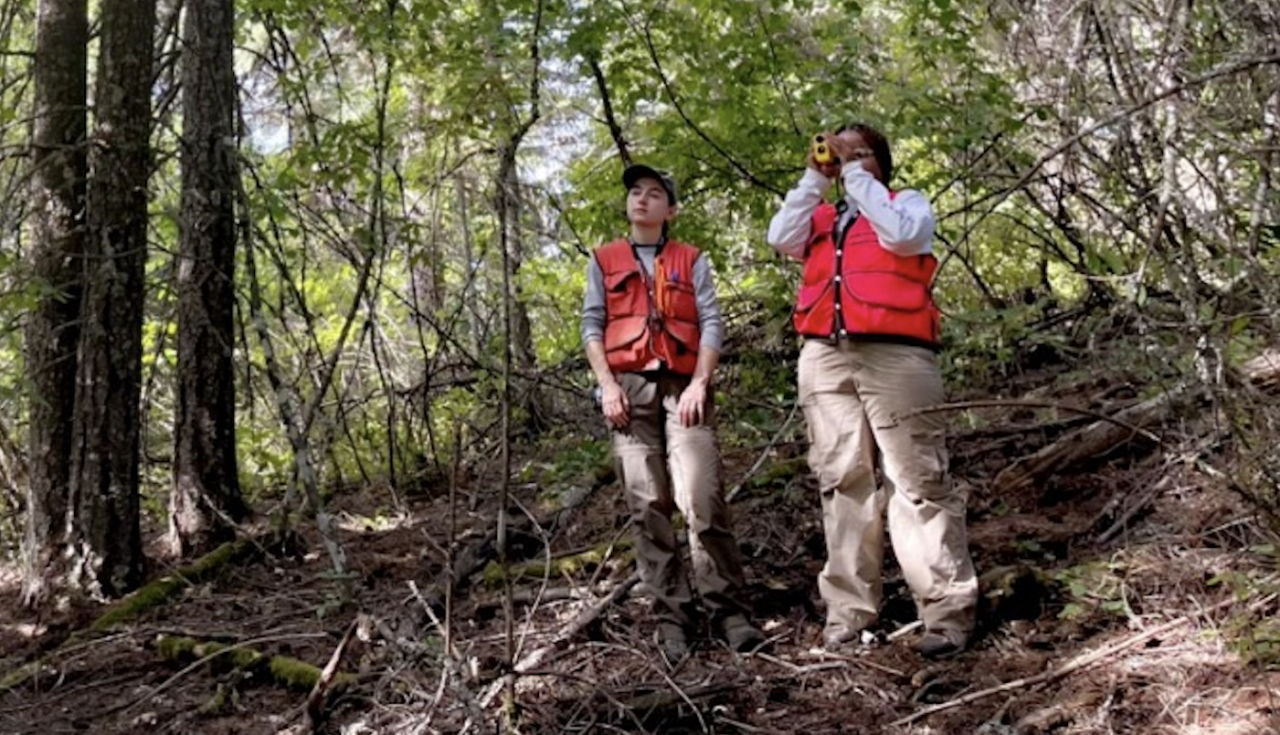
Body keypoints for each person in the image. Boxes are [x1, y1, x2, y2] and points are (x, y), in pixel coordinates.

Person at [766, 124, 978, 659]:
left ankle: (947, 611)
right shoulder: (821, 215)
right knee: (843, 482)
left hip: (897, 354)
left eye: (859, 151)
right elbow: (780, 237)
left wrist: (858, 176)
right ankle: (848, 613)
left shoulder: (906, 203)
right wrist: (815, 178)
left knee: (919, 480)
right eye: (840, 150)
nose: (847, 158)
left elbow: (903, 237)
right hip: (825, 356)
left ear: (880, 161)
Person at [582, 163, 766, 663]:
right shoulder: (603, 260)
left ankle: (730, 612)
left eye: (654, 194)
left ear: (671, 209)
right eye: (635, 193)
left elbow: (710, 322)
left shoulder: (691, 259)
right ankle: (673, 619)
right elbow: (592, 326)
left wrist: (701, 383)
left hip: (685, 388)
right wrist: (606, 387)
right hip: (629, 392)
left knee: (702, 498)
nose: (642, 200)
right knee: (648, 507)